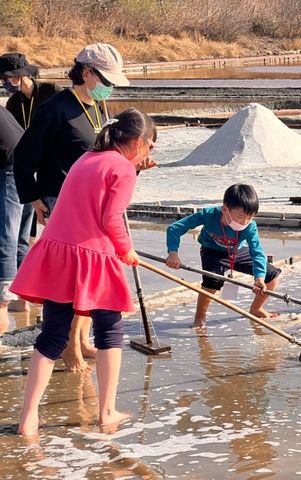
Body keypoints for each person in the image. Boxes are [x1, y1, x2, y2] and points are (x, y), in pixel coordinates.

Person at [11, 108, 157, 435]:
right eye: (150, 146)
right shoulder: (123, 169)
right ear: (136, 142)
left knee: (51, 335)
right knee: (109, 331)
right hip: (92, 255)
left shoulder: (88, 157)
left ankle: (28, 418)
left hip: (58, 251)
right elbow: (111, 218)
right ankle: (107, 413)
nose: (149, 153)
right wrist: (126, 250)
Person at [13, 43, 130, 372]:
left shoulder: (98, 107)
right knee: (70, 280)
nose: (110, 87)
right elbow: (24, 155)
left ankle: (80, 339)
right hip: (60, 202)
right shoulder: (56, 108)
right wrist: (34, 197)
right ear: (88, 73)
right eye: (105, 79)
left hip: (95, 204)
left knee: (90, 276)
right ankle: (65, 345)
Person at [165, 184, 281, 327]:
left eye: (250, 217)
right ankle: (199, 317)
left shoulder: (250, 227)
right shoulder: (208, 215)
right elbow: (175, 228)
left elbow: (257, 252)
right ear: (225, 209)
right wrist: (173, 253)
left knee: (272, 276)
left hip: (236, 251)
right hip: (212, 251)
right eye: (240, 217)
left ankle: (256, 308)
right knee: (212, 283)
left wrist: (259, 278)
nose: (244, 222)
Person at [0, 52, 63, 312]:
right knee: (23, 232)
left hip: (52, 164)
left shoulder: (51, 92)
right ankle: (23, 298)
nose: (6, 83)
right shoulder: (14, 103)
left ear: (22, 75)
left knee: (22, 231)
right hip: (27, 163)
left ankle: (46, 292)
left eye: (8, 78)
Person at [0, 107, 24, 328]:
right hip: (24, 167)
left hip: (10, 171)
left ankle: (1, 314)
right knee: (18, 238)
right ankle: (24, 300)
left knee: (5, 237)